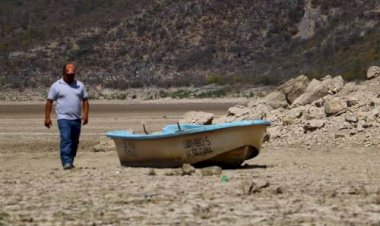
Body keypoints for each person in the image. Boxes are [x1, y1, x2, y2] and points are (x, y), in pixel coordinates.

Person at [44, 63, 90, 170]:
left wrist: (86, 115)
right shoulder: (56, 85)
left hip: (76, 118)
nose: (71, 76)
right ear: (64, 73)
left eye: (72, 74)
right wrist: (47, 117)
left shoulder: (80, 85)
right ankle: (66, 162)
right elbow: (49, 102)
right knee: (66, 139)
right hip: (63, 118)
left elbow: (85, 100)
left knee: (74, 141)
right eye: (69, 74)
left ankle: (70, 160)